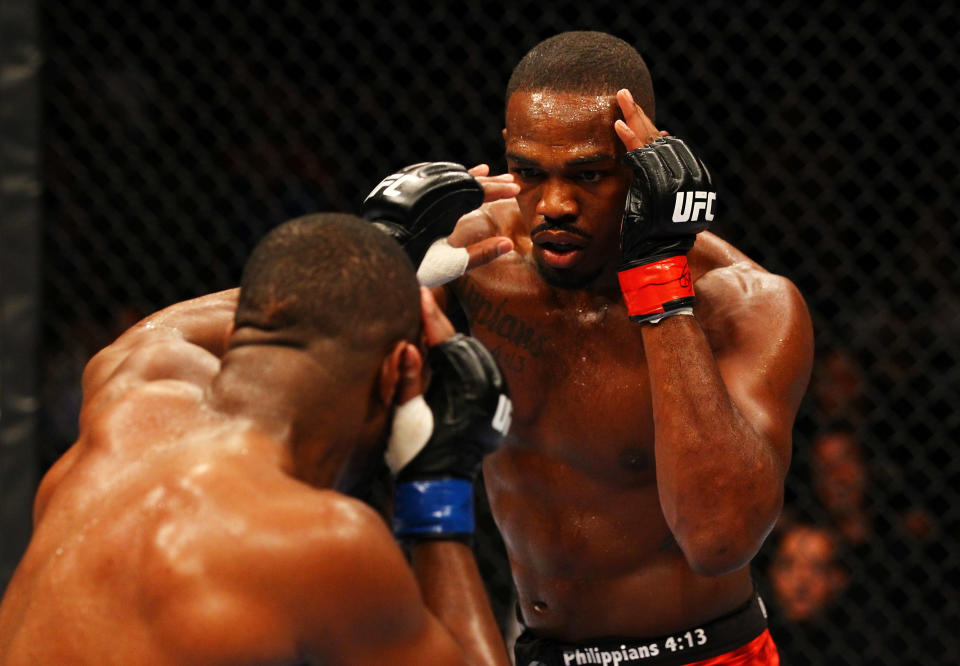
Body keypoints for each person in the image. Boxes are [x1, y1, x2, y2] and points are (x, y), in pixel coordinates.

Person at [364, 31, 815, 665]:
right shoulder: (477, 257)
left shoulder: (741, 305)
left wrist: (659, 280)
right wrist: (372, 262)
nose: (553, 204)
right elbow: (283, 351)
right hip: (540, 651)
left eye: (589, 175)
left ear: (643, 160)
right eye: (529, 173)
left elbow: (719, 540)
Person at [0, 213, 514, 665]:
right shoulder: (319, 539)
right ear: (396, 373)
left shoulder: (131, 390)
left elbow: (164, 329)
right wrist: (436, 479)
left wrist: (378, 259)